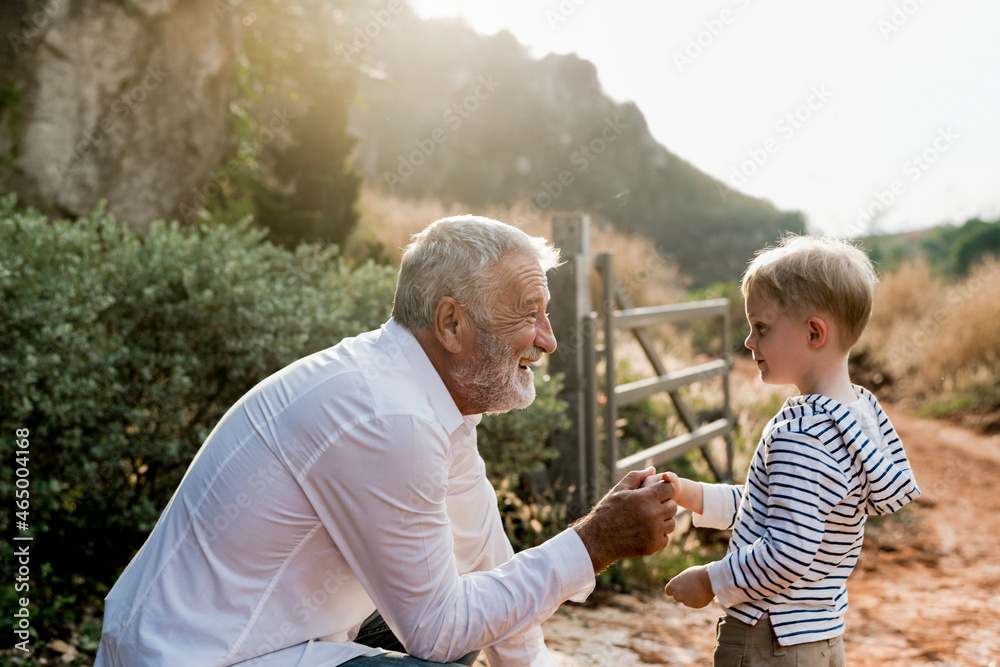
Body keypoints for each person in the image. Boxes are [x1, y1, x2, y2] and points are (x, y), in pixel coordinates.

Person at [93, 215, 678, 667]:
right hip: (201, 656)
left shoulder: (418, 393)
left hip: (246, 639)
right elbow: (438, 629)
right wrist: (593, 542)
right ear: (452, 324)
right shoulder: (388, 416)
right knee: (451, 633)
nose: (548, 341)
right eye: (530, 314)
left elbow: (484, 553)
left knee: (477, 601)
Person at [651, 235, 920, 666]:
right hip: (820, 636)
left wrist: (711, 580)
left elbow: (788, 548)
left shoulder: (802, 433)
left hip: (767, 636)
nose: (749, 342)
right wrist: (690, 493)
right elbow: (777, 507)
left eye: (761, 327)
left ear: (814, 332)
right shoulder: (857, 415)